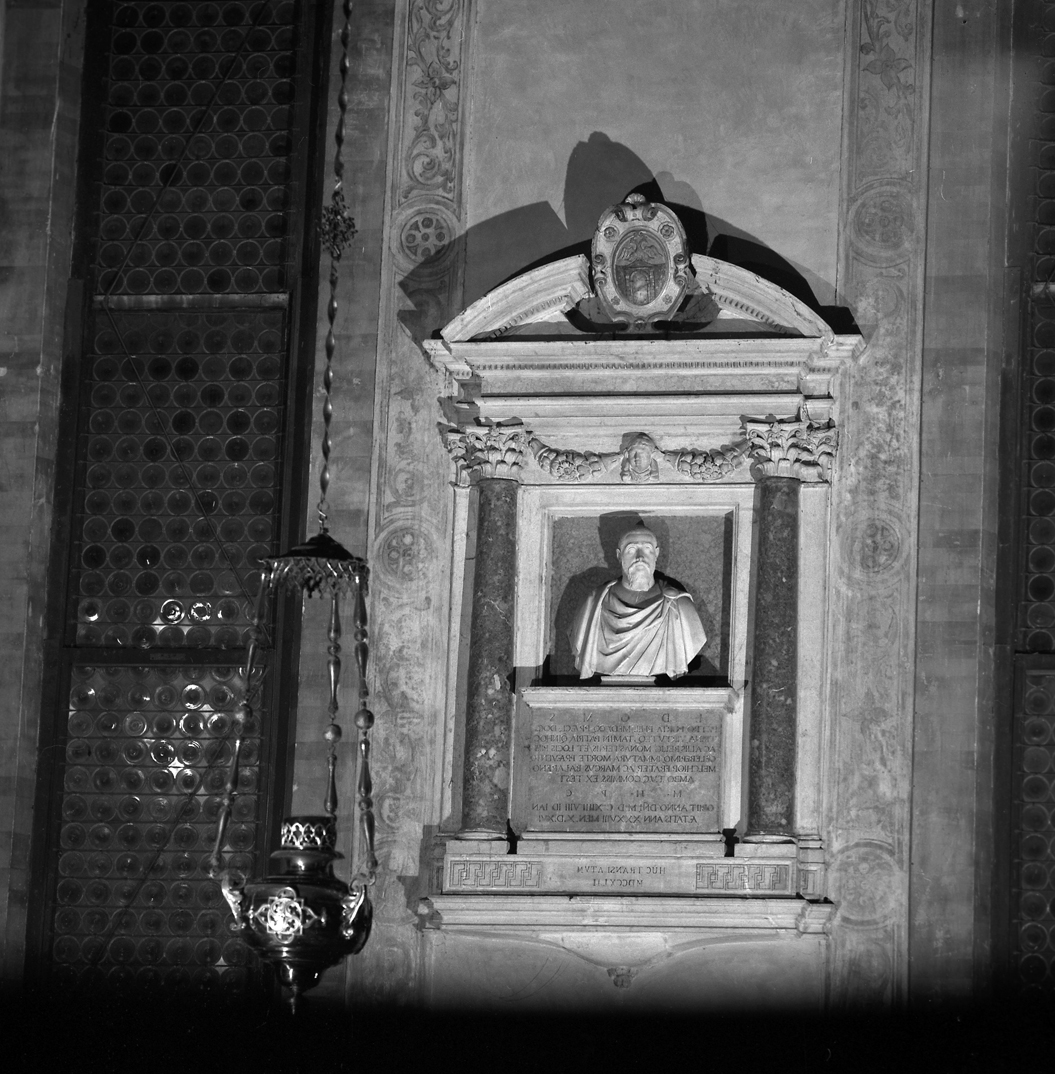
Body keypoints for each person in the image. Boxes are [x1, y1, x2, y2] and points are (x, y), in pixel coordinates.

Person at [569, 523, 707, 679]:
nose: (640, 557)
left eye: (647, 549)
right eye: (631, 550)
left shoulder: (680, 608)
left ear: (656, 553)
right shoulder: (592, 605)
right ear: (619, 555)